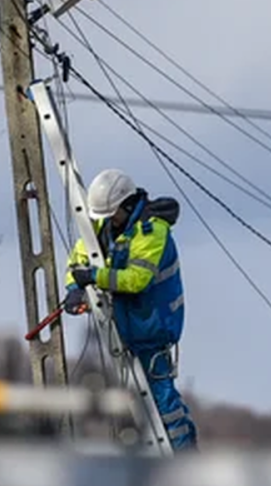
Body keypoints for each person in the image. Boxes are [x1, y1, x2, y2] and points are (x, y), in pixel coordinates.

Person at [63, 168, 197, 452]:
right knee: (134, 405)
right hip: (124, 328)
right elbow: (77, 259)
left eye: (112, 216)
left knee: (163, 404)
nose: (108, 222)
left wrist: (95, 278)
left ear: (126, 205)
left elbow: (136, 280)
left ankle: (185, 461)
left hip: (152, 328)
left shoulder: (152, 232)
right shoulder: (103, 225)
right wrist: (74, 287)